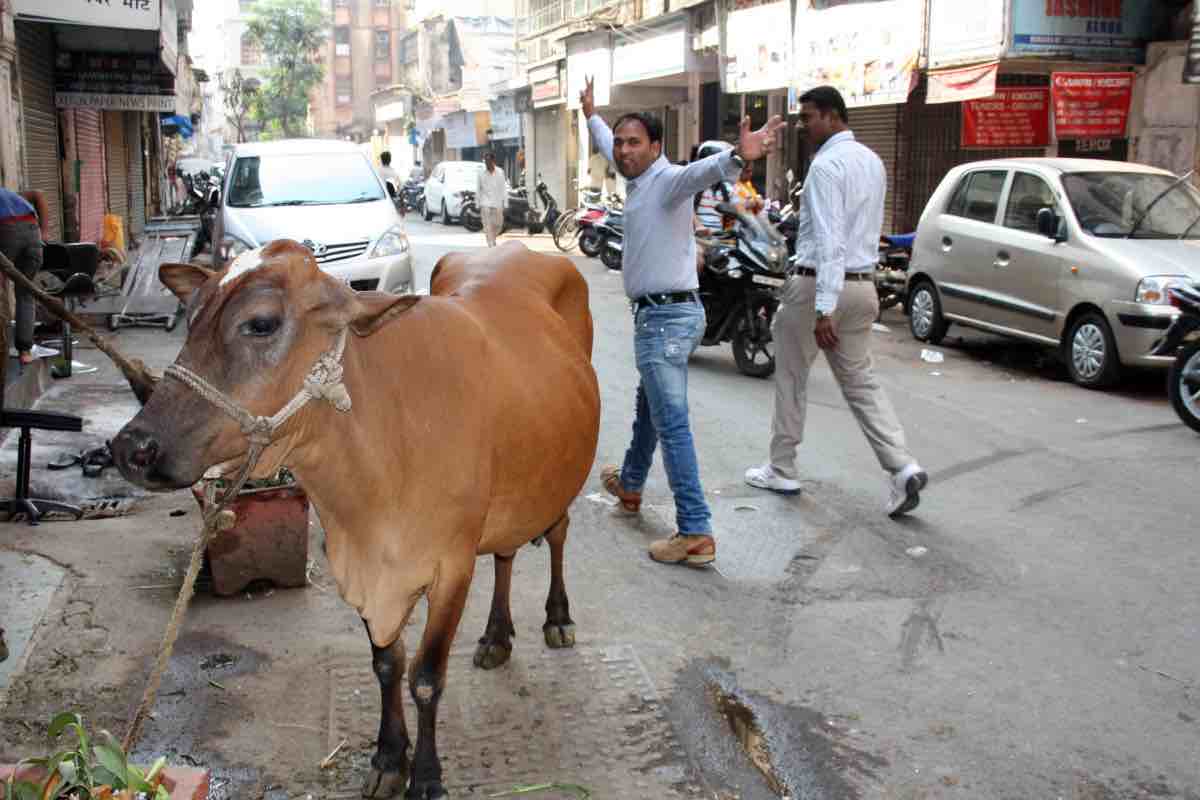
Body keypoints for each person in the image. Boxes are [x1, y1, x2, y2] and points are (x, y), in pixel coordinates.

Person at [582, 75, 784, 566]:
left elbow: (701, 172)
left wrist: (739, 155)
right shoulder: (635, 175)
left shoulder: (667, 180)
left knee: (671, 424)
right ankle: (631, 485)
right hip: (668, 315)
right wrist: (589, 112)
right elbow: (608, 144)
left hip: (667, 321)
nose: (625, 151)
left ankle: (695, 530)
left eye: (636, 143)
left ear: (657, 147)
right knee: (650, 407)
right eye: (622, 144)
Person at [743, 85, 927, 517]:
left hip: (820, 287)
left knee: (791, 376)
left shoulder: (826, 166)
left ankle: (782, 467)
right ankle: (901, 466)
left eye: (808, 118)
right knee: (861, 382)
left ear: (831, 116)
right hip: (864, 285)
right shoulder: (872, 161)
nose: (803, 127)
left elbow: (829, 242)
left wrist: (825, 307)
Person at [0, 188, 49, 366]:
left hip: (6, 230)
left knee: (1, 294)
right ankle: (25, 351)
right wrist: (44, 232)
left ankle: (2, 351)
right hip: (32, 231)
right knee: (25, 293)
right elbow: (38, 194)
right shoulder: (10, 194)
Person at [477, 151, 507, 248]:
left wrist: (505, 203)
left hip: (497, 203)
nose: (487, 163)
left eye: (489, 161)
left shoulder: (500, 172)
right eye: (485, 161)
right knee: (487, 225)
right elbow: (478, 189)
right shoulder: (481, 173)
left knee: (498, 224)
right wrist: (477, 203)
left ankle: (492, 238)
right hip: (485, 203)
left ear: (493, 161)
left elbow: (503, 188)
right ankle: (491, 243)